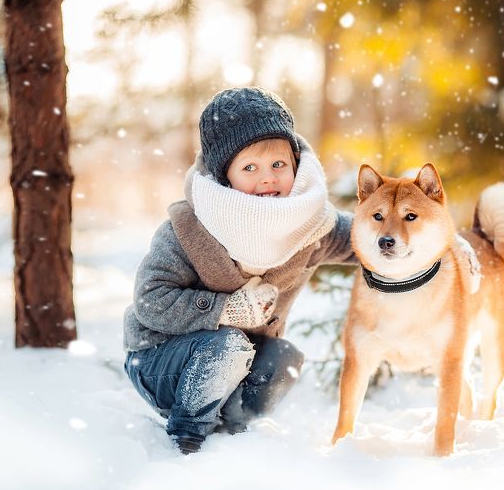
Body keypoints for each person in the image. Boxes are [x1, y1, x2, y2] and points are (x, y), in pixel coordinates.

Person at [123, 87, 355, 454]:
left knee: (284, 359)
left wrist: (440, 247)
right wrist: (223, 310)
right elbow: (150, 300)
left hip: (237, 366)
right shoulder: (190, 229)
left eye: (278, 164)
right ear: (225, 175)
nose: (268, 178)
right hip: (162, 360)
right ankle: (188, 441)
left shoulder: (310, 228)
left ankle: (234, 435)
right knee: (226, 345)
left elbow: (368, 239)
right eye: (250, 168)